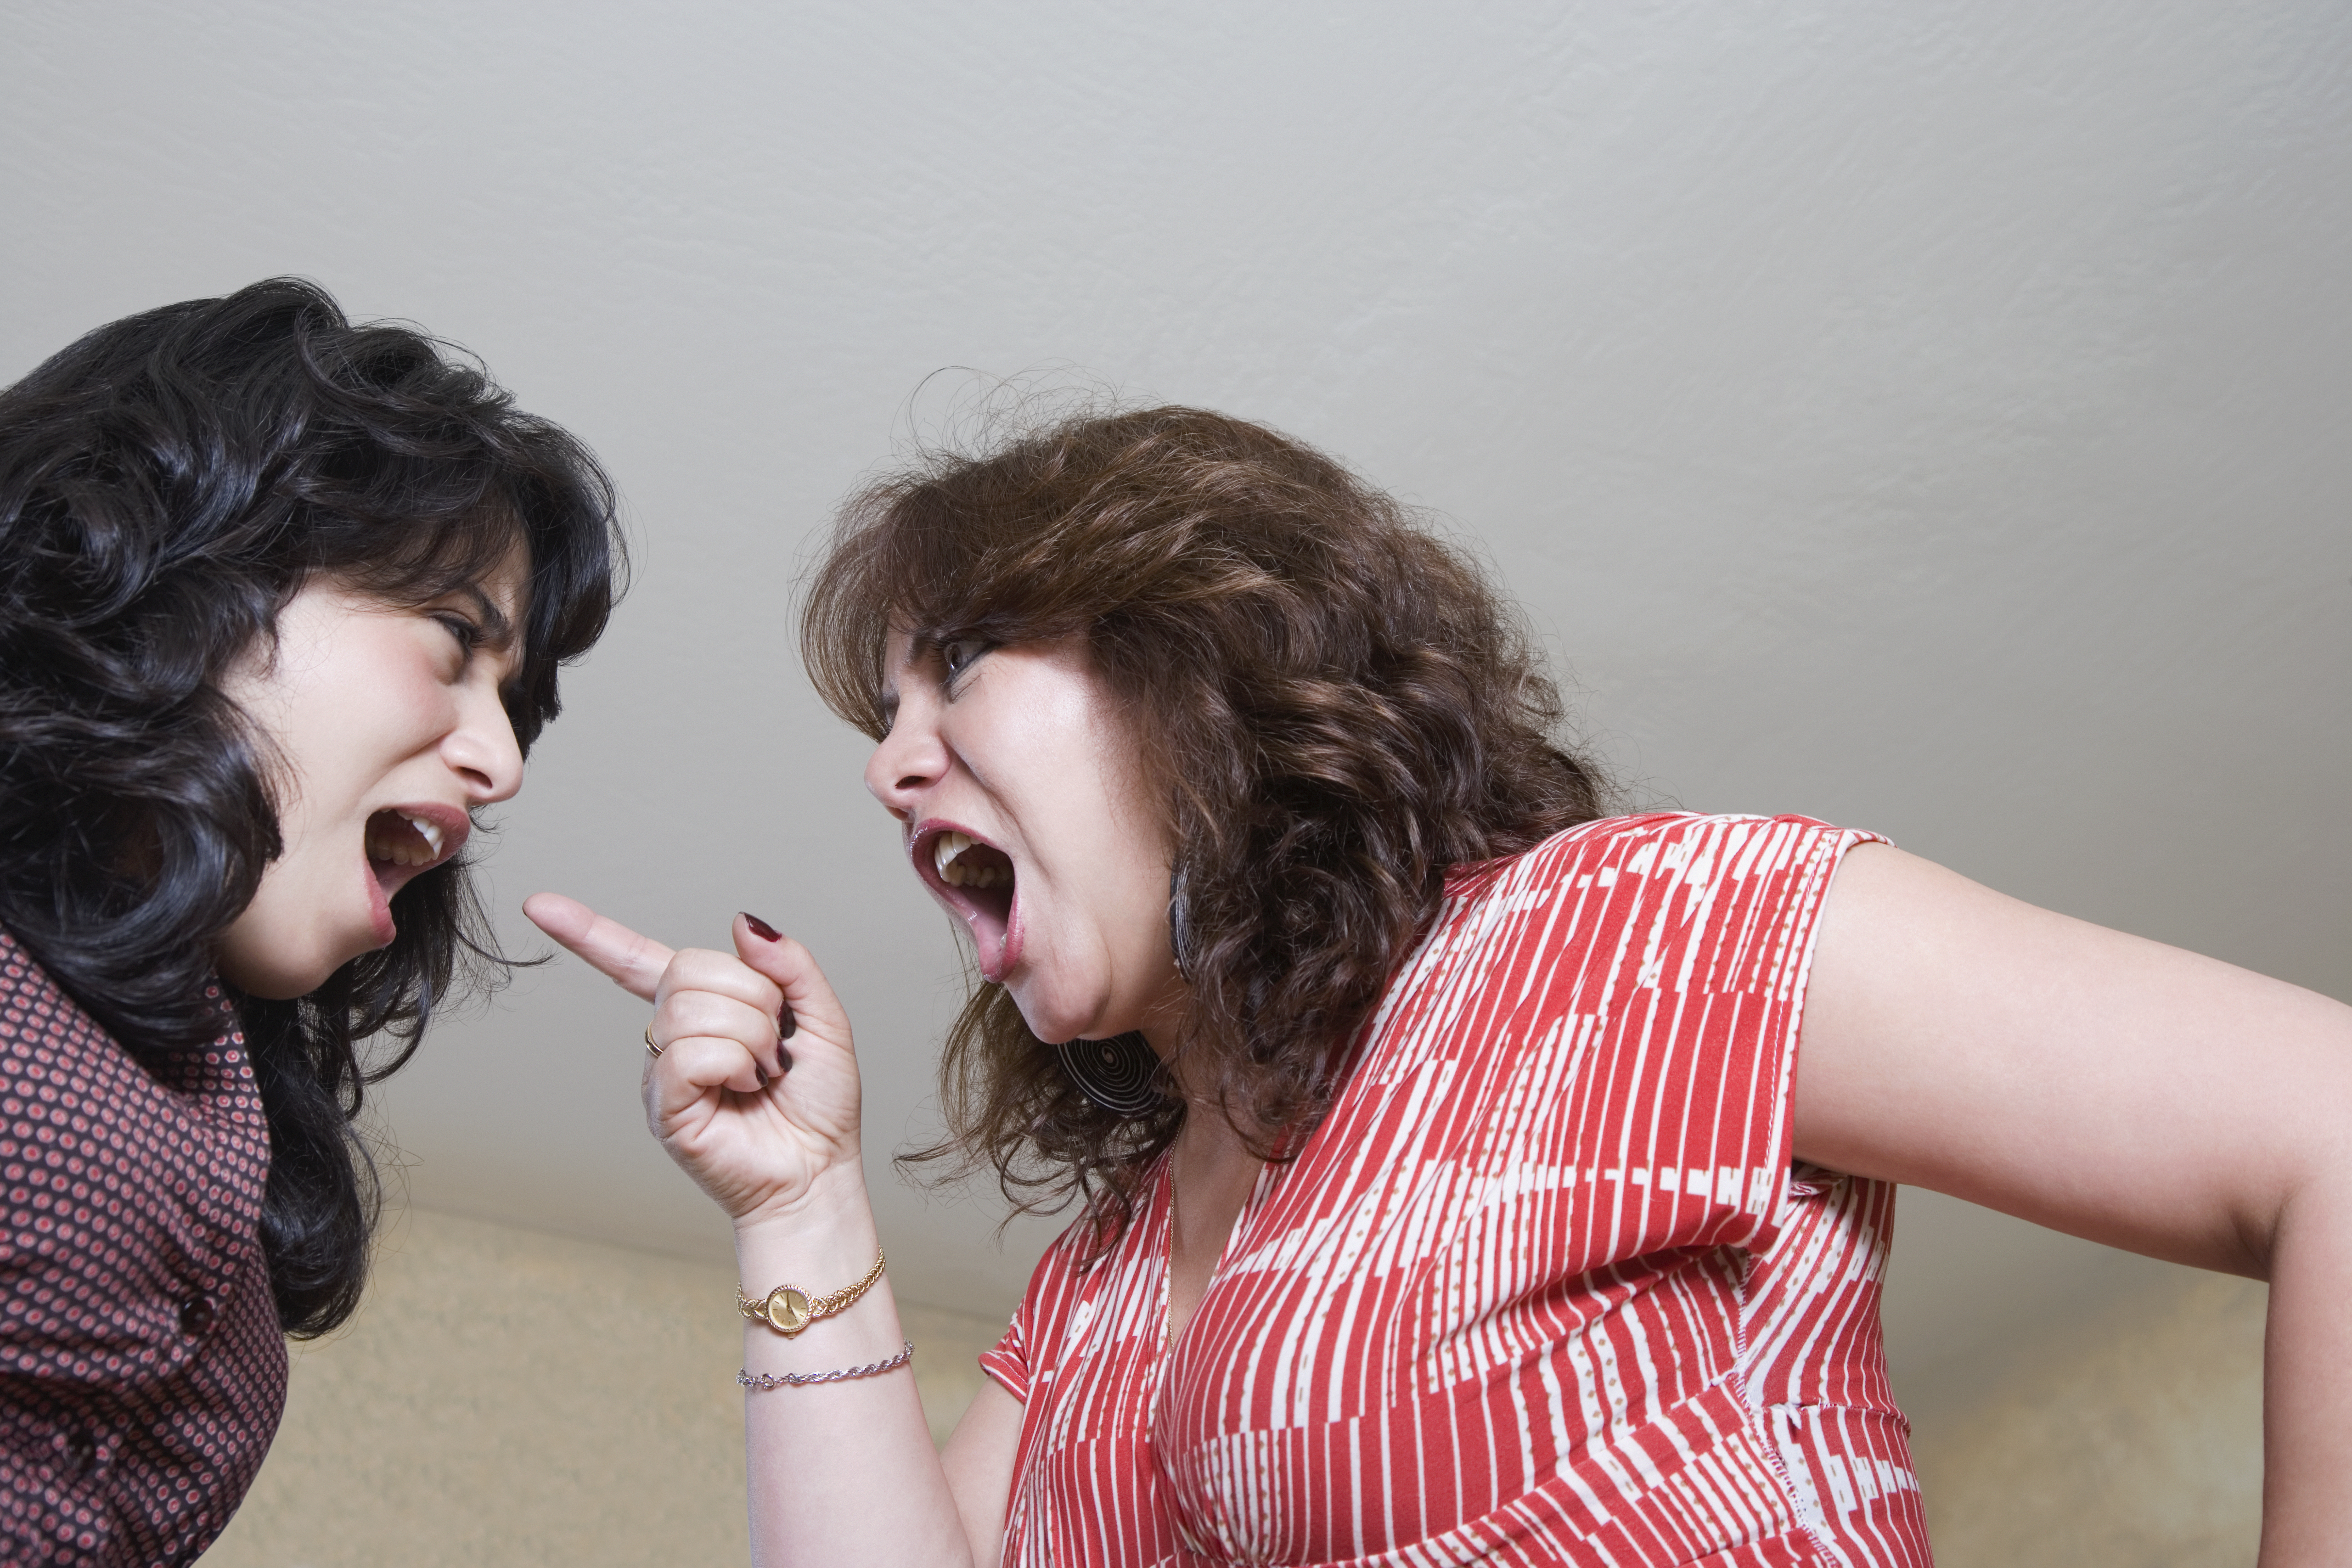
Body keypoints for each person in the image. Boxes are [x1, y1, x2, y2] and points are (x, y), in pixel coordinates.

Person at [530, 406, 2350, 1567]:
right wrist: (796, 1195)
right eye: (883, 721)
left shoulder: (1637, 935)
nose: (890, 766)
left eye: (964, 668)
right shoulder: (1090, 1295)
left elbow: (2324, 1125)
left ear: (1205, 653)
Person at [0, 278, 624, 1566]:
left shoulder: (184, 1063)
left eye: (516, 705)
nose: (502, 763)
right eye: (453, 641)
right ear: (184, 573)